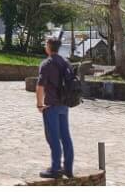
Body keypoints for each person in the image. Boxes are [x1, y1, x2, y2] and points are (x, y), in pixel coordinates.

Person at [35, 36, 74, 179]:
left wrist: (39, 104)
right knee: (66, 137)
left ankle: (55, 168)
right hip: (64, 104)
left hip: (51, 105)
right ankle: (68, 168)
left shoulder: (47, 64)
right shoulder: (66, 62)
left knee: (53, 138)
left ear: (48, 46)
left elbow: (40, 86)